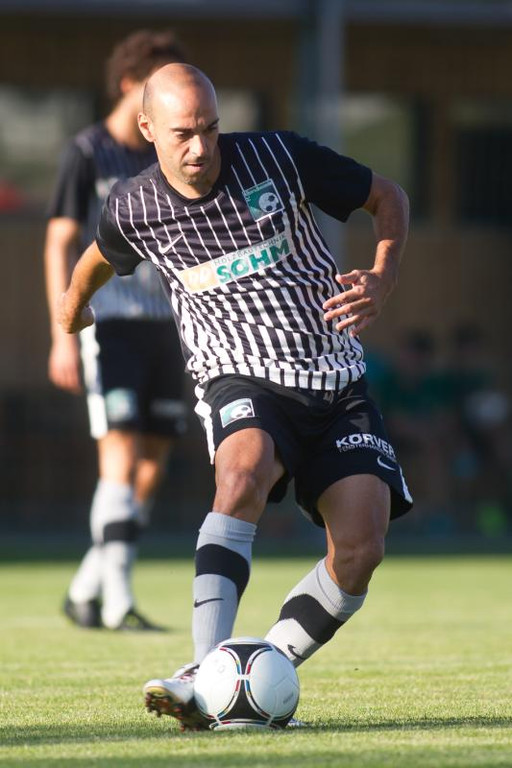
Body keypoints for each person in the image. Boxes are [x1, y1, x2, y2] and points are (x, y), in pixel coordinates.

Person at [57, 63, 412, 727]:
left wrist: (384, 275)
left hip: (335, 378)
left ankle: (255, 669)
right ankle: (203, 672)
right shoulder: (134, 206)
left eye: (211, 129)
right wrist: (72, 307)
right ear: (148, 129)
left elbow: (386, 196)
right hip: (239, 374)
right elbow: (98, 257)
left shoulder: (280, 157)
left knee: (361, 550)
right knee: (241, 473)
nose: (201, 148)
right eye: (183, 134)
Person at [44, 32, 189, 631]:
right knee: (121, 455)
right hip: (109, 326)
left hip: (168, 327)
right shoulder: (87, 152)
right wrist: (63, 330)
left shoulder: (165, 154)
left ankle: (87, 588)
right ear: (130, 85)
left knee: (152, 463)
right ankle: (118, 603)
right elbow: (59, 241)